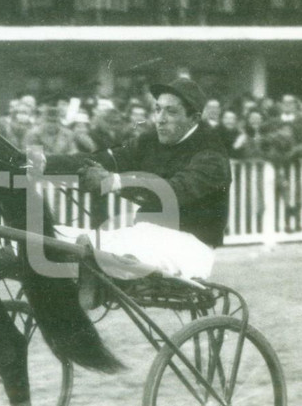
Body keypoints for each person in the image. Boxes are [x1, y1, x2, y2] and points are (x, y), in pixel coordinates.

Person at [41, 76, 232, 306]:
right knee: (59, 238)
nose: (160, 119)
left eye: (171, 112)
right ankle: (87, 269)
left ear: (194, 118)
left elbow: (171, 192)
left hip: (190, 247)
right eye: (158, 109)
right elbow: (101, 159)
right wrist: (42, 163)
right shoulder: (151, 140)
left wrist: (114, 182)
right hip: (145, 234)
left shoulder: (212, 154)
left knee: (105, 248)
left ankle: (90, 278)